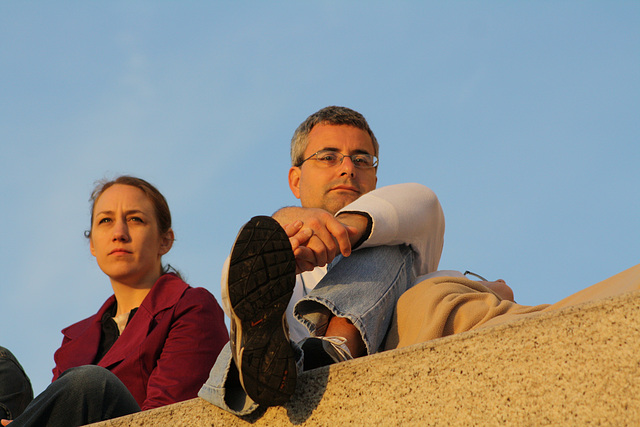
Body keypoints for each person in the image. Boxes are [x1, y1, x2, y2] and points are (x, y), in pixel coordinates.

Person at [199, 106, 508, 415]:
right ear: (295, 181)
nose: (348, 168)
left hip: (382, 368)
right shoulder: (263, 253)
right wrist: (288, 225)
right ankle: (284, 362)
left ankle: (332, 348)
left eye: (361, 160)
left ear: (375, 179)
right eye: (328, 156)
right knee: (254, 307)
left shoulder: (409, 236)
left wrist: (339, 233)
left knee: (390, 247)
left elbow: (422, 201)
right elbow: (235, 284)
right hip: (275, 379)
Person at [2, 176, 229, 427]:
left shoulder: (193, 307)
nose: (119, 233)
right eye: (106, 221)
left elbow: (166, 418)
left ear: (165, 240)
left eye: (135, 219)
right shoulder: (75, 340)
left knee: (91, 384)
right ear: (92, 244)